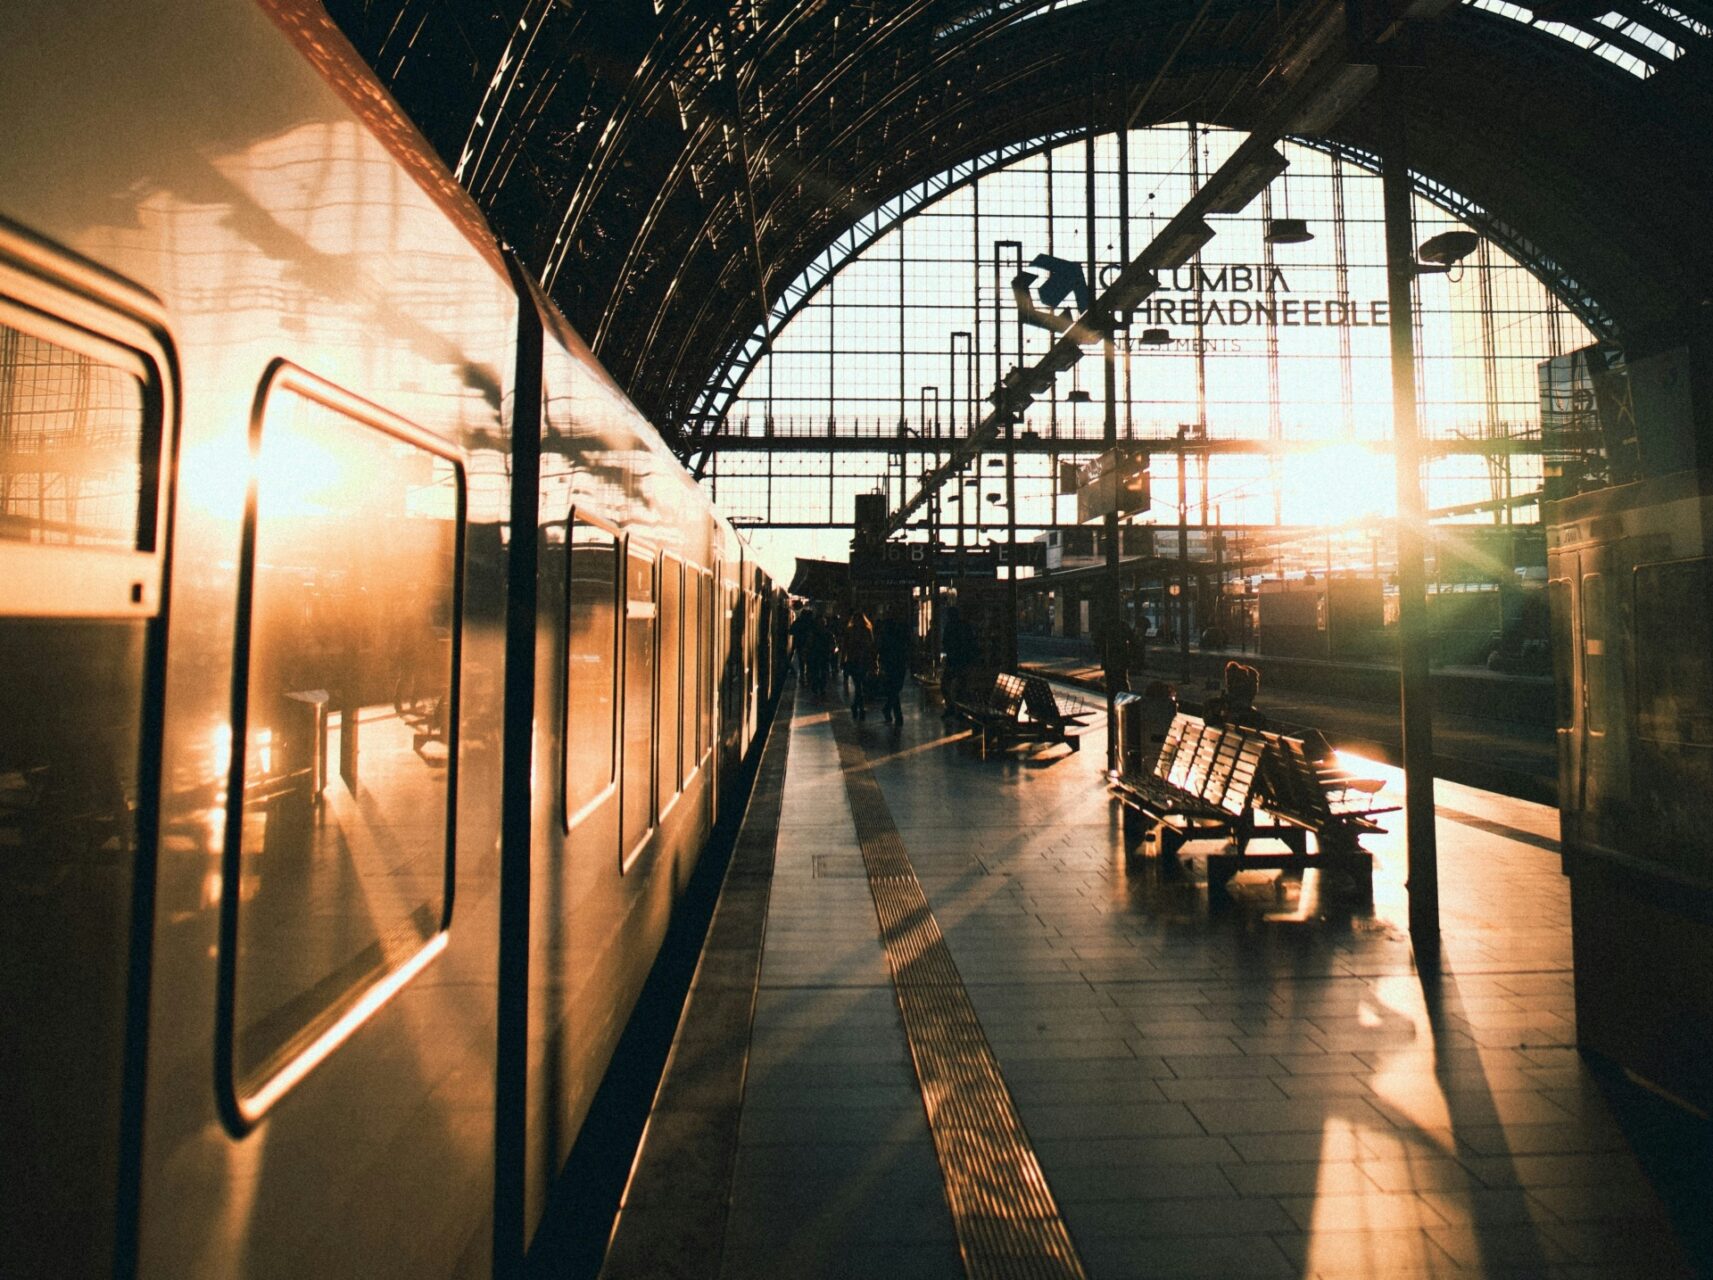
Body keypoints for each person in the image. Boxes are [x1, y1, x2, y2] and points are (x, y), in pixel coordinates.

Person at [875, 604, 912, 726]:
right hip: (895, 660)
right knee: (895, 687)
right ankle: (897, 714)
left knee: (894, 687)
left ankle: (889, 709)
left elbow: (882, 644)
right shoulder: (896, 626)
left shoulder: (888, 626)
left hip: (892, 660)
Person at [940, 605, 979, 713]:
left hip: (953, 661)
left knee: (945, 685)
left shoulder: (950, 627)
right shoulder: (965, 626)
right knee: (962, 685)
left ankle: (951, 707)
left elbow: (945, 643)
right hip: (964, 661)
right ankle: (959, 709)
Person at [841, 607, 875, 719]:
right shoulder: (865, 631)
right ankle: (860, 708)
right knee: (859, 685)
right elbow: (871, 647)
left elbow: (845, 647)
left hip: (859, 661)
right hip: (856, 661)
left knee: (859, 685)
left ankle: (856, 707)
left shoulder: (852, 631)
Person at [789, 604, 818, 682]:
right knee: (809, 660)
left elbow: (791, 631)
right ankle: (808, 675)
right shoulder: (812, 622)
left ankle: (802, 675)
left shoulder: (798, 622)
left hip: (799, 643)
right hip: (810, 644)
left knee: (801, 660)